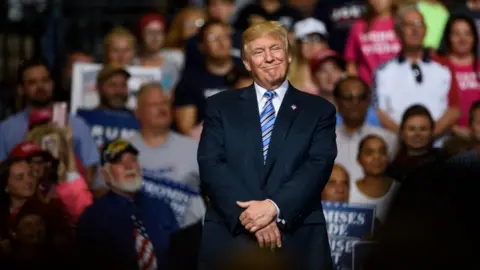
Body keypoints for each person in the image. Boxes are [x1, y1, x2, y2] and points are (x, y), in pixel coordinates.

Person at [198, 21, 337, 270]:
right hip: (233, 236)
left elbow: (317, 166)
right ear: (247, 63)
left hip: (297, 238)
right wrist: (255, 220)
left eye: (275, 49)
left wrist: (274, 208)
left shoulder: (319, 110)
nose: (269, 58)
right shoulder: (220, 106)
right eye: (259, 52)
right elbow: (211, 165)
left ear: (289, 55)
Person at [77, 139, 178, 270]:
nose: (129, 167)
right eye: (119, 162)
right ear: (106, 175)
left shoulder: (162, 208)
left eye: (132, 160)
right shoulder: (93, 219)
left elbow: (180, 255)